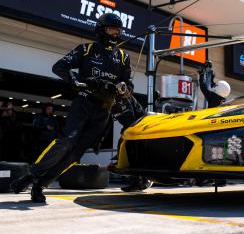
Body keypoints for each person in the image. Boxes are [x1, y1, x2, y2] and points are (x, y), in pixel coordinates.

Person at [10, 13, 133, 203]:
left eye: (118, 30)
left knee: (76, 154)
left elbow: (129, 86)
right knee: (67, 140)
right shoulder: (86, 50)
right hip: (84, 102)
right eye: (111, 29)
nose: (115, 34)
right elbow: (59, 67)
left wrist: (124, 89)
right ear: (101, 30)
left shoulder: (124, 57)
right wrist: (75, 80)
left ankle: (41, 184)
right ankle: (30, 175)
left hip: (103, 111)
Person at [111, 95, 153, 192]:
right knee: (126, 150)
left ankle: (142, 181)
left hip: (140, 127)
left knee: (136, 154)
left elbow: (131, 119)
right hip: (131, 128)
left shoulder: (124, 97)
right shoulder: (109, 102)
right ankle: (139, 181)